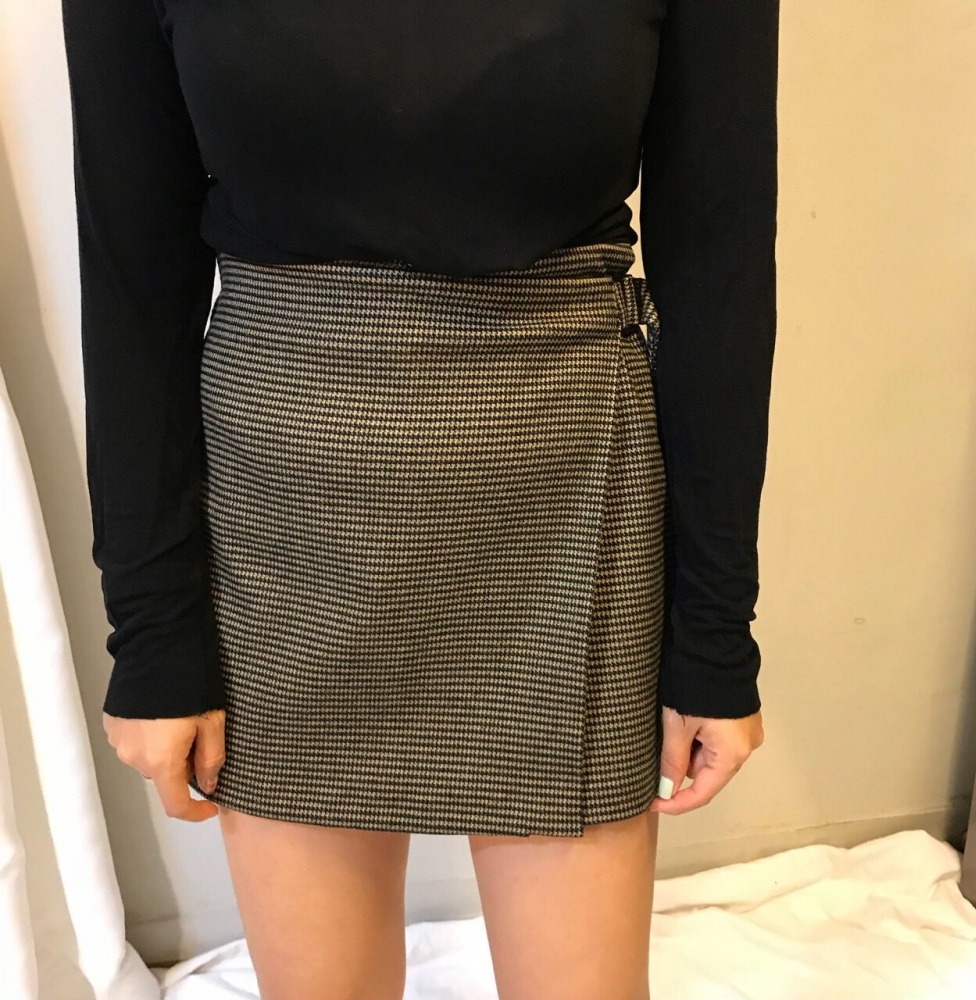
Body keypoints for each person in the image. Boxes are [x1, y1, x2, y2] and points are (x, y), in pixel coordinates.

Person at [60, 1, 777, 997]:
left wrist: (713, 638)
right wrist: (152, 636)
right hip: (280, 523)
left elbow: (720, 267)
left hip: (564, 496)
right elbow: (134, 276)